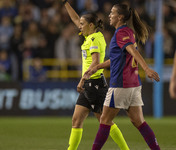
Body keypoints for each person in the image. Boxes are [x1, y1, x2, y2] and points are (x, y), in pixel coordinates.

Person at [82, 4, 161, 150]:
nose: (109, 15)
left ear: (120, 17)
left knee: (104, 120)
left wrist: (146, 68)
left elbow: (132, 52)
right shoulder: (128, 32)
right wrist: (97, 67)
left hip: (121, 84)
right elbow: (117, 58)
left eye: (112, 13)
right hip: (134, 85)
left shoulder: (120, 33)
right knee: (139, 121)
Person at [61, 1, 129, 150]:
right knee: (76, 120)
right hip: (89, 85)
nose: (79, 26)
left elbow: (96, 62)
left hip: (95, 85)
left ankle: (126, 149)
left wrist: (82, 79)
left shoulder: (94, 39)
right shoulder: (90, 36)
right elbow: (75, 19)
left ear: (91, 25)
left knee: (105, 122)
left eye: (82, 24)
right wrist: (66, 4)